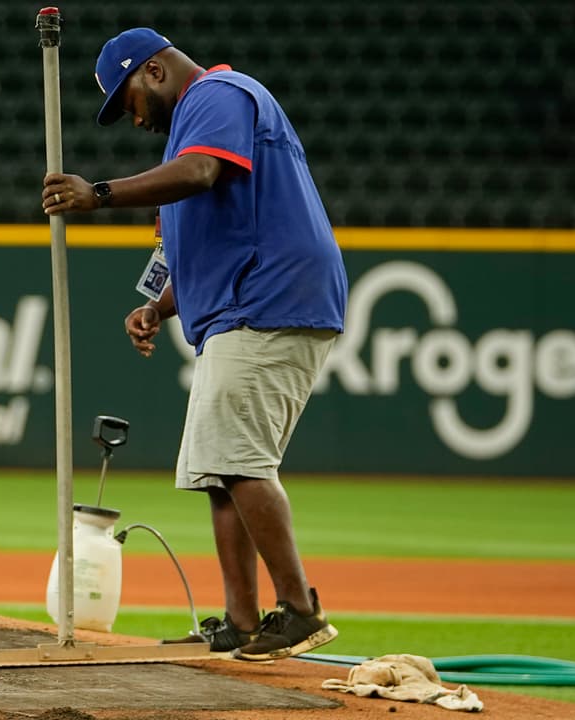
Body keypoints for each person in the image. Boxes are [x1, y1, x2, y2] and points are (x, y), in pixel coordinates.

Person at [41, 28, 348, 661]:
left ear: (153, 71)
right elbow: (201, 240)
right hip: (240, 308)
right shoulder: (187, 135)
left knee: (239, 461)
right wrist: (159, 305)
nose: (132, 119)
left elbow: (202, 174)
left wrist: (98, 193)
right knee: (219, 472)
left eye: (127, 101)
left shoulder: (216, 93)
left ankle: (298, 608)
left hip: (269, 300)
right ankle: (240, 620)